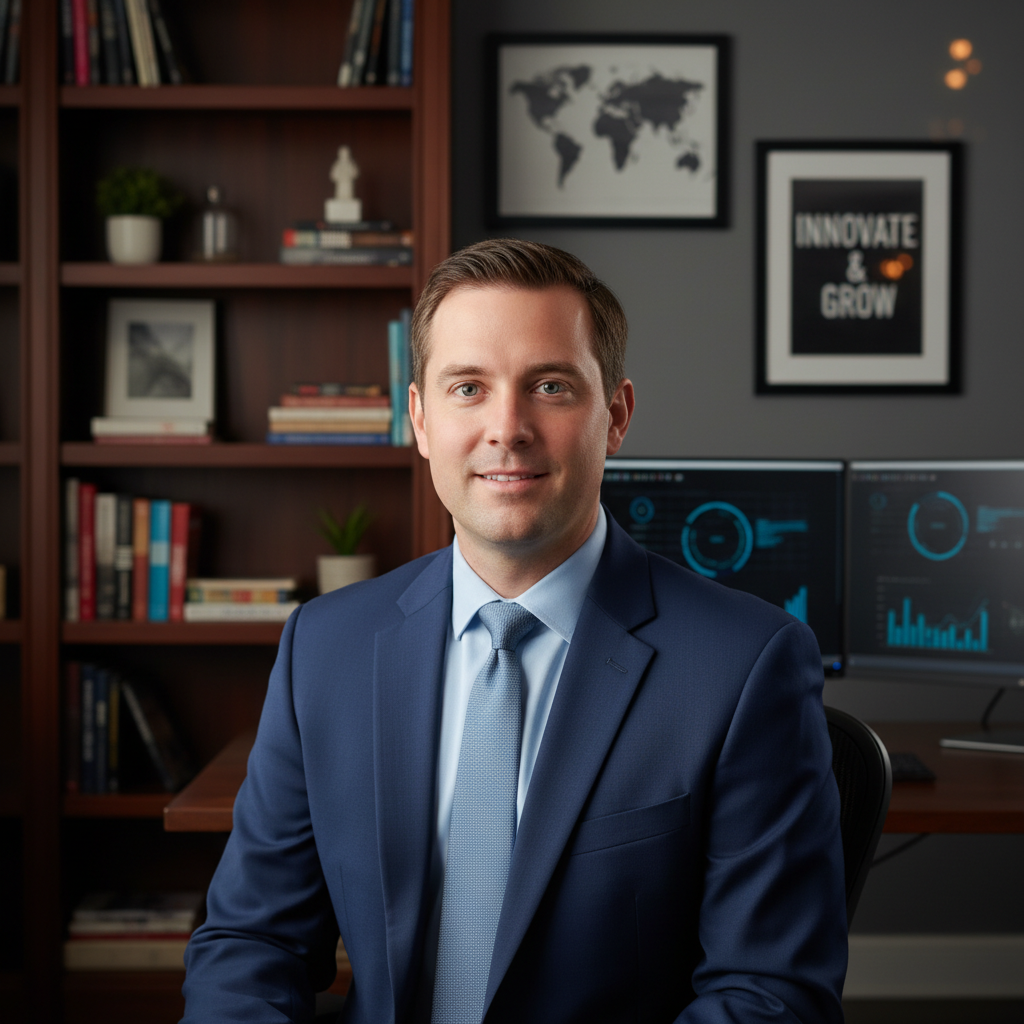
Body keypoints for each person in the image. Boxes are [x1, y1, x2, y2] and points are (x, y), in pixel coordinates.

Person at [182, 238, 847, 1024]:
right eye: (468, 387)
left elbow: (769, 995)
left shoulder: (744, 664)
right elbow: (252, 943)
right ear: (421, 420)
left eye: (551, 387)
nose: (508, 427)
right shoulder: (325, 648)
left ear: (617, 416)